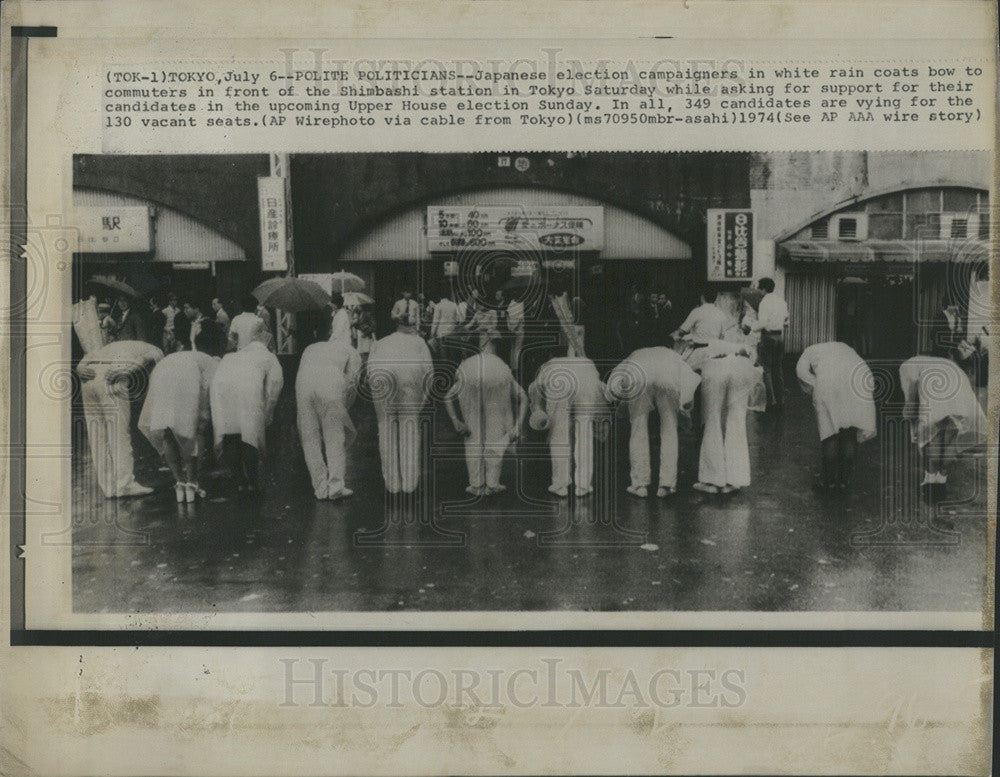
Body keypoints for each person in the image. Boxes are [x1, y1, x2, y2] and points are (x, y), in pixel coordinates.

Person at [138, 320, 225, 502]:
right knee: (189, 432)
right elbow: (214, 393)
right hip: (185, 379)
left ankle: (179, 483)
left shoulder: (182, 354)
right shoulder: (212, 361)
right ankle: (192, 483)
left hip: (163, 372)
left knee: (168, 431)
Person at [606, 346, 702, 498]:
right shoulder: (672, 355)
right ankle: (667, 485)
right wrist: (686, 404)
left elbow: (614, 386)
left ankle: (640, 485)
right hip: (668, 377)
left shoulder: (634, 355)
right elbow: (690, 379)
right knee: (670, 429)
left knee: (638, 428)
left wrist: (616, 400)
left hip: (639, 377)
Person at [76, 339, 164, 498]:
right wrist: (127, 371)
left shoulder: (116, 345)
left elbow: (88, 356)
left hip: (88, 378)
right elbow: (145, 360)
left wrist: (79, 368)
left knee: (97, 433)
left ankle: (108, 487)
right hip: (113, 376)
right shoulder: (153, 348)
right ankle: (125, 485)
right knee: (119, 433)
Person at [210, 320, 284, 493]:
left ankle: (239, 480)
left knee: (230, 432)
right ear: (268, 343)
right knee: (249, 433)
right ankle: (252, 481)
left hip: (222, 383)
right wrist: (268, 412)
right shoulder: (268, 356)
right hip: (247, 389)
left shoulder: (236, 354)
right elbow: (276, 383)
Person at [899, 354, 987, 496]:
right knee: (950, 438)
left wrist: (913, 423)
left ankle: (931, 479)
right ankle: (941, 481)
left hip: (934, 389)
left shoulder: (906, 366)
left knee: (933, 439)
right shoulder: (948, 362)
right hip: (959, 387)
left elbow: (910, 401)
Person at [796, 342, 877, 495]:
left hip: (829, 383)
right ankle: (844, 482)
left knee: (829, 433)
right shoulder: (847, 348)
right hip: (858, 381)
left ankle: (828, 483)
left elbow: (801, 373)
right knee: (849, 432)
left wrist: (815, 386)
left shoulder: (808, 352)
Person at [444, 348, 528, 496]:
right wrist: (517, 425)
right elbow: (524, 398)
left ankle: (476, 485)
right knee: (494, 444)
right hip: (496, 413)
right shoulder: (503, 376)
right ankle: (492, 484)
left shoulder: (467, 376)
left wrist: (455, 420)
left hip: (472, 413)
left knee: (472, 443)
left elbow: (447, 397)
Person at [688, 338, 766, 494]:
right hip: (740, 368)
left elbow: (689, 367)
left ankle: (712, 479)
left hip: (714, 369)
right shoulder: (735, 342)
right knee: (737, 422)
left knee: (712, 421)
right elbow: (752, 356)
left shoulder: (700, 347)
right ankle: (735, 479)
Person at [528, 351, 609, 497]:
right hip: (585, 373)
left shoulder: (551, 358)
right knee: (585, 432)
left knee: (559, 432)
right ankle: (583, 485)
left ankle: (560, 484)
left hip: (557, 372)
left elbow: (536, 391)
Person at [296, 331, 363, 501]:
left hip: (303, 383)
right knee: (334, 436)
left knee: (309, 437)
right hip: (331, 382)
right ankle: (336, 487)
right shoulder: (351, 351)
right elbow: (353, 382)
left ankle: (320, 488)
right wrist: (345, 407)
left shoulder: (310, 348)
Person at [367, 328, 434, 494]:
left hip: (380, 374)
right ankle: (409, 485)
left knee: (385, 427)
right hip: (409, 378)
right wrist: (422, 401)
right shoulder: (419, 342)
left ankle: (392, 485)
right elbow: (429, 372)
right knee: (409, 428)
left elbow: (369, 369)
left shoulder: (380, 343)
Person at [750, 277, 789, 410]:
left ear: (764, 289)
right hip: (779, 337)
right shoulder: (781, 302)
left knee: (767, 370)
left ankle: (771, 402)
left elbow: (762, 323)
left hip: (768, 337)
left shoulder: (764, 303)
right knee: (778, 369)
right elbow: (786, 322)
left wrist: (751, 326)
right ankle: (781, 400)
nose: (758, 291)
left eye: (759, 288)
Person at [429, 287, 462, 371]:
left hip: (441, 334)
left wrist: (432, 334)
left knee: (443, 358)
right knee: (452, 358)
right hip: (452, 334)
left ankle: (444, 375)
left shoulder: (438, 306)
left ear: (439, 296)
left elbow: (435, 322)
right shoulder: (454, 305)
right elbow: (459, 319)